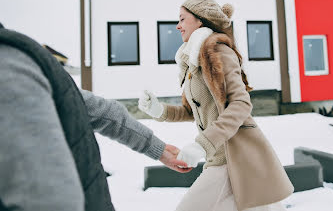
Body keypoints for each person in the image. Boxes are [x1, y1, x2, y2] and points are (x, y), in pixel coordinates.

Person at [0, 23, 190, 211]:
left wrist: (157, 146)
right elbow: (106, 112)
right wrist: (157, 148)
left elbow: (48, 196)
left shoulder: (9, 67)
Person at [138, 0, 293, 211]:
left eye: (182, 19)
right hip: (218, 158)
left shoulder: (218, 52)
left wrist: (203, 143)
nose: (178, 25)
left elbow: (240, 104)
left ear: (200, 20)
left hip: (233, 157)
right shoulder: (193, 60)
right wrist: (159, 110)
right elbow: (193, 110)